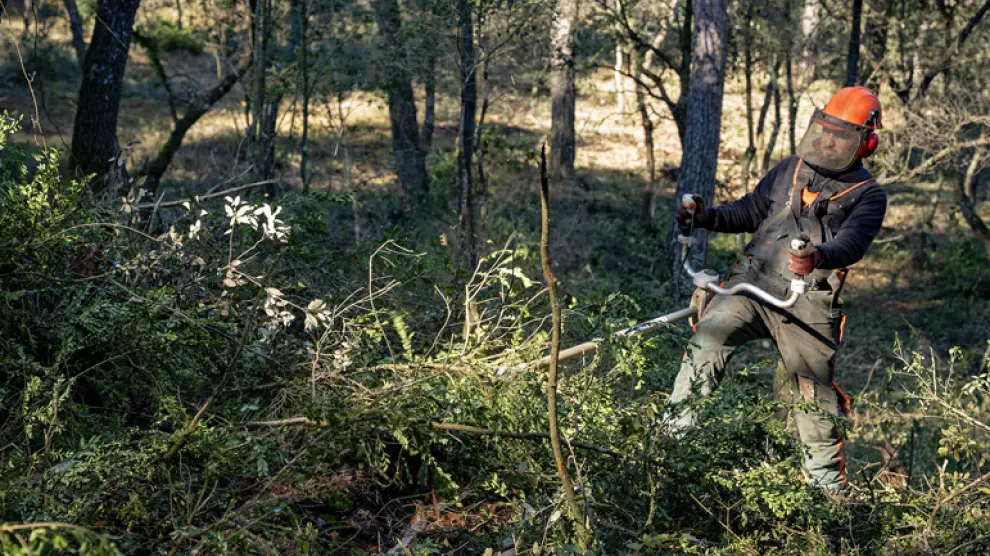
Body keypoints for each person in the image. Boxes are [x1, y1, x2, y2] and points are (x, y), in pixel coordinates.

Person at [669, 86, 888, 493]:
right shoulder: (790, 167)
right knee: (706, 342)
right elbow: (750, 211)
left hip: (808, 303)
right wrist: (705, 218)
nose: (828, 140)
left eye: (842, 135)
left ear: (865, 143)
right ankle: (665, 450)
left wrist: (817, 257)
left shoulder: (869, 195)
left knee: (815, 400)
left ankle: (826, 495)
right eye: (826, 129)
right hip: (752, 284)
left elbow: (853, 244)